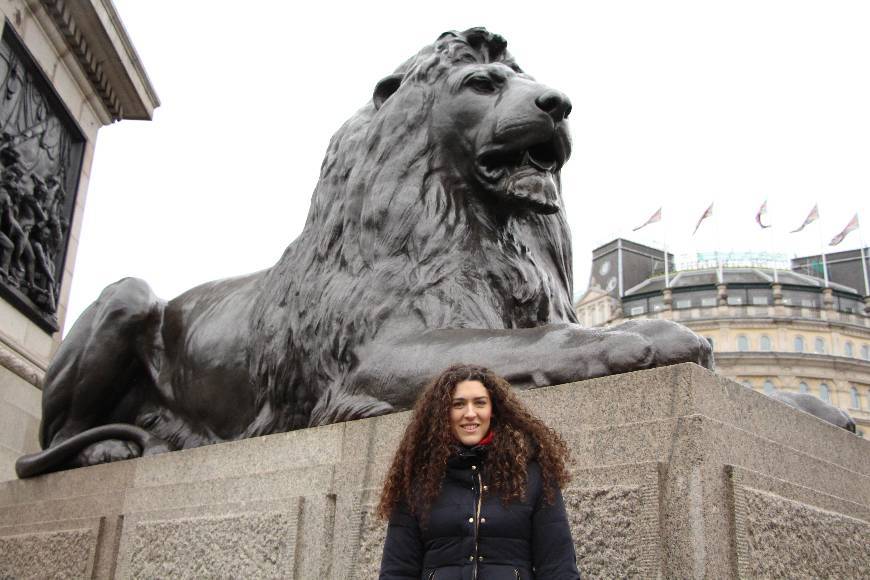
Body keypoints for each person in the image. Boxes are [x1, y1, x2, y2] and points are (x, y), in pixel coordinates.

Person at [378, 363, 581, 580]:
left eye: (480, 403)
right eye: (458, 404)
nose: (470, 413)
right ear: (442, 412)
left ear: (493, 410)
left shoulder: (531, 475)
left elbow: (558, 567)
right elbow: (397, 571)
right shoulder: (416, 480)